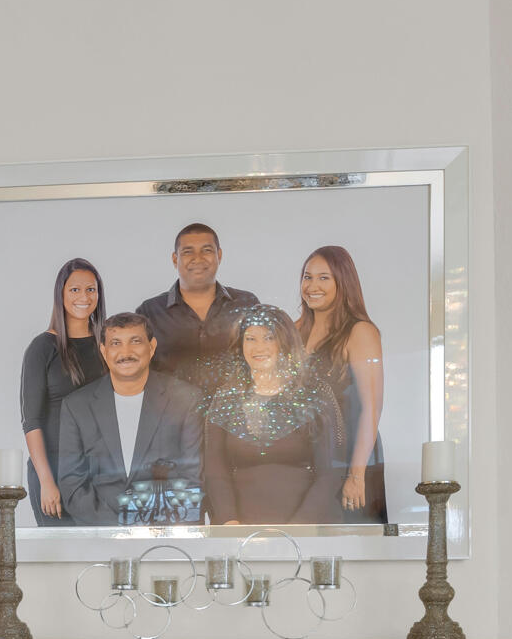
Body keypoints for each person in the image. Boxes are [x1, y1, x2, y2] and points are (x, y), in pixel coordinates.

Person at [198, 305, 345, 526]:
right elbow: (215, 469)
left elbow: (330, 473)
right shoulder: (225, 397)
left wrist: (300, 526)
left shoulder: (315, 394)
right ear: (240, 345)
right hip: (241, 529)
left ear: (285, 343)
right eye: (250, 339)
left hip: (308, 526)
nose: (259, 347)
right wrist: (229, 520)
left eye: (269, 338)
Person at [56, 313, 206, 525]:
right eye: (116, 343)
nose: (125, 353)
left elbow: (193, 477)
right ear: (103, 351)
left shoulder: (186, 399)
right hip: (100, 535)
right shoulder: (76, 406)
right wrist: (118, 529)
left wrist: (150, 530)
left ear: (152, 347)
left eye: (135, 341)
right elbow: (72, 484)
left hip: (167, 537)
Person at [296, 245, 386, 521]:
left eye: (324, 278)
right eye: (307, 277)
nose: (312, 286)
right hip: (307, 459)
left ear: (343, 282)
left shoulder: (360, 332)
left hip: (348, 458)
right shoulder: (293, 329)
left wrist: (356, 475)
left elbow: (372, 408)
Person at [16, 258, 106, 523]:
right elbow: (31, 421)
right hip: (53, 471)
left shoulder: (108, 345)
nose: (84, 296)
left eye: (91, 289)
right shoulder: (42, 348)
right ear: (61, 294)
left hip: (100, 473)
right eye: (75, 289)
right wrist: (46, 480)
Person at [137, 222, 263, 396]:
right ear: (175, 259)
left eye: (207, 250)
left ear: (219, 255)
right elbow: (138, 371)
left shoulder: (246, 304)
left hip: (236, 416)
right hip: (172, 418)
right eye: (188, 251)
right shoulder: (150, 312)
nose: (198, 258)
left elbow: (265, 359)